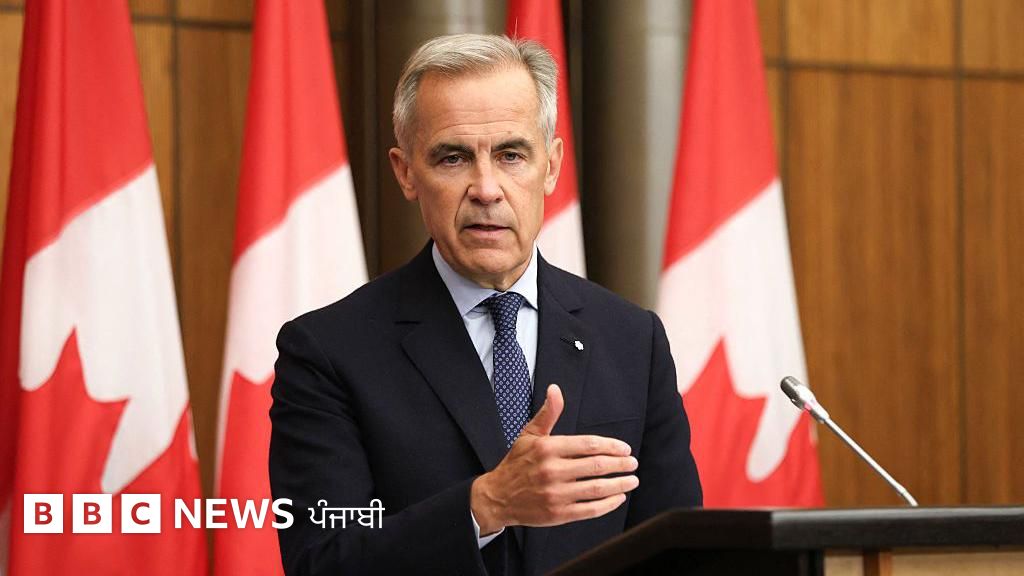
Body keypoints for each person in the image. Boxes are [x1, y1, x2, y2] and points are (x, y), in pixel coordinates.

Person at [269, 33, 702, 576]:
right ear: (406, 173)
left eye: (511, 155)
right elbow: (322, 560)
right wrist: (485, 506)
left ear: (551, 165)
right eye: (453, 158)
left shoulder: (632, 339)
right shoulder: (329, 351)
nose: (487, 188)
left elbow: (680, 551)